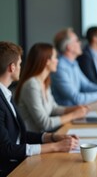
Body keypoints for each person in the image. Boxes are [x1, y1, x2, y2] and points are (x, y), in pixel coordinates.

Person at [0, 41, 79, 176]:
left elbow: (21, 135)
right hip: (10, 169)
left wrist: (53, 137)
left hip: (19, 161)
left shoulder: (6, 94)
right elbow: (7, 149)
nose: (21, 67)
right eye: (19, 64)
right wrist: (54, 147)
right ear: (12, 67)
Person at [15, 43, 90, 133]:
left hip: (43, 137)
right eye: (55, 57)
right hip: (34, 141)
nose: (57, 61)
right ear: (47, 61)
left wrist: (75, 108)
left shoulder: (44, 81)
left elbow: (53, 108)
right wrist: (74, 115)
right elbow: (45, 124)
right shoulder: (31, 85)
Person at [51, 28, 97, 106]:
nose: (80, 43)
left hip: (77, 110)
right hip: (69, 113)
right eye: (76, 41)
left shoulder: (73, 63)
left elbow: (86, 85)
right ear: (69, 47)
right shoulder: (60, 67)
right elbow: (76, 98)